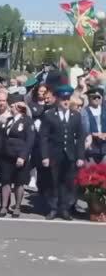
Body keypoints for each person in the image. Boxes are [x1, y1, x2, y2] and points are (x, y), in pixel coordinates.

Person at [40, 85, 86, 221]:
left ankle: (64, 208)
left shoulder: (75, 116)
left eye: (67, 98)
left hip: (70, 155)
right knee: (53, 182)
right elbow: (44, 137)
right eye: (63, 99)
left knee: (68, 182)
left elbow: (80, 137)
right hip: (54, 154)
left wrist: (80, 156)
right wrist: (45, 156)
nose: (66, 101)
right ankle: (53, 208)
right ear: (57, 99)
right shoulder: (49, 115)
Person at [0, 94, 35, 218]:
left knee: (19, 183)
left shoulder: (27, 121)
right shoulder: (9, 120)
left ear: (18, 107)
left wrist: (23, 156)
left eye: (12, 106)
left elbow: (30, 141)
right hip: (6, 156)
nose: (10, 108)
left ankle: (17, 207)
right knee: (5, 182)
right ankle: (4, 206)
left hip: (19, 156)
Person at [81, 87, 106, 164]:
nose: (96, 99)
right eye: (94, 97)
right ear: (89, 98)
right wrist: (92, 134)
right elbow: (83, 130)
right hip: (91, 149)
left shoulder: (104, 110)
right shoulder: (84, 112)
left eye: (98, 97)